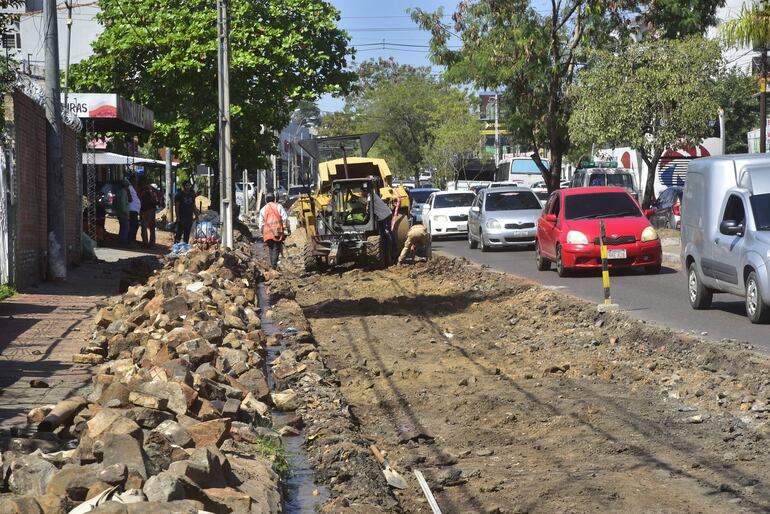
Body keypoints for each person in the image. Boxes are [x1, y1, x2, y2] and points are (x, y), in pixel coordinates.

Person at [258, 193, 289, 269]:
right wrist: (287, 227)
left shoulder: (263, 209)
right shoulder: (279, 206)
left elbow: (260, 223)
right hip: (277, 231)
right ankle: (274, 266)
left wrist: (262, 232)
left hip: (267, 233)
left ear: (266, 200)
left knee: (271, 248)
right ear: (274, 199)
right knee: (276, 248)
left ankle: (273, 266)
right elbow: (285, 218)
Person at [137, 176, 157, 247]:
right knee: (152, 227)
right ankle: (152, 243)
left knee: (144, 227)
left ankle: (145, 243)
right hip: (152, 209)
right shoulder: (151, 188)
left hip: (143, 209)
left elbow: (138, 197)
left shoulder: (139, 189)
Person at [115, 179, 130, 246]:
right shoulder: (123, 192)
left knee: (122, 227)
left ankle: (121, 241)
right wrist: (126, 212)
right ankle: (123, 242)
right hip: (123, 213)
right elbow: (123, 203)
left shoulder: (118, 191)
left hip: (119, 212)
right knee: (125, 228)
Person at [127, 175, 141, 245]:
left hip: (135, 209)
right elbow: (129, 198)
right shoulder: (129, 187)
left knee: (134, 225)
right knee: (134, 225)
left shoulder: (133, 187)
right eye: (136, 180)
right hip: (132, 209)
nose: (137, 181)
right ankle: (131, 241)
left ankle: (132, 240)